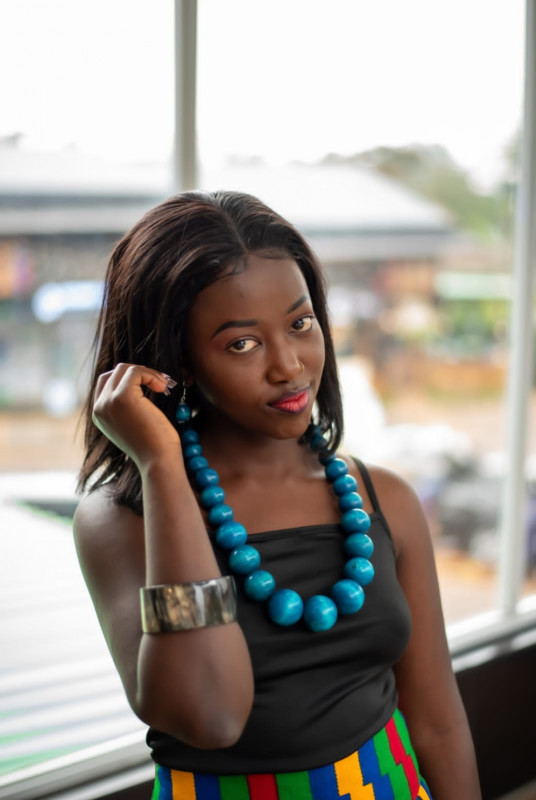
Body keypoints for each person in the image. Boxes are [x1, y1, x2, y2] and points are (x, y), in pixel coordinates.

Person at [74, 191, 482, 799]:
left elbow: (437, 721)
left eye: (301, 323)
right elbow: (209, 716)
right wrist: (162, 467)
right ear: (175, 362)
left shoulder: (383, 497)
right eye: (243, 343)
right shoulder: (120, 519)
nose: (289, 366)